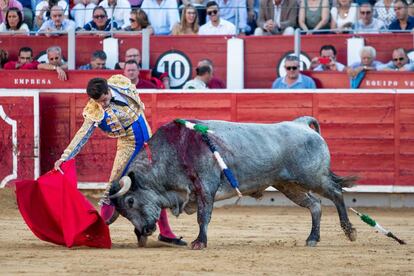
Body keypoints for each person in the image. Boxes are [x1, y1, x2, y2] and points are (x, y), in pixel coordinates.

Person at [53, 75, 187, 246]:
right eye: (98, 102)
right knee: (114, 190)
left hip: (148, 146)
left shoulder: (121, 84)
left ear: (109, 90)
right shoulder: (94, 110)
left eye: (104, 99)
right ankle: (96, 232)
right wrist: (65, 157)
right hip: (129, 148)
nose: (103, 104)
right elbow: (82, 135)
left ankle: (166, 233)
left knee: (156, 188)